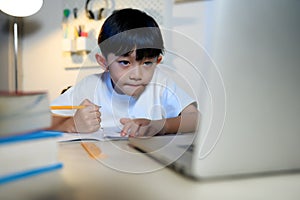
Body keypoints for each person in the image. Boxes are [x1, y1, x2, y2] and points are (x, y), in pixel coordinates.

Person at [50, 8, 199, 137]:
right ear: (103, 62)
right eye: (125, 63)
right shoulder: (89, 86)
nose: (136, 75)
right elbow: (41, 121)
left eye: (147, 63)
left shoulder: (160, 82)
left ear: (157, 62)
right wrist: (72, 124)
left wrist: (162, 126)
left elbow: (196, 119)